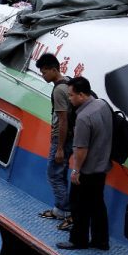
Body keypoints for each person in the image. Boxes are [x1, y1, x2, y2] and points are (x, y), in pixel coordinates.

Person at [57, 77, 114, 251]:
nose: (69, 99)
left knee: (78, 206)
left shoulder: (83, 117)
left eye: (71, 95)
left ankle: (78, 239)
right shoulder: (102, 105)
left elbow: (81, 149)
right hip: (102, 166)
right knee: (98, 205)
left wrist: (76, 171)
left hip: (87, 171)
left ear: (81, 95)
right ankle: (101, 240)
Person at [35, 54, 83, 229]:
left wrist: (60, 147)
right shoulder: (68, 83)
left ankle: (65, 211)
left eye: (45, 71)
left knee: (53, 173)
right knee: (60, 173)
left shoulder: (59, 91)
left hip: (62, 138)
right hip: (71, 136)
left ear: (54, 69)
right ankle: (59, 208)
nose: (43, 75)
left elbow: (62, 120)